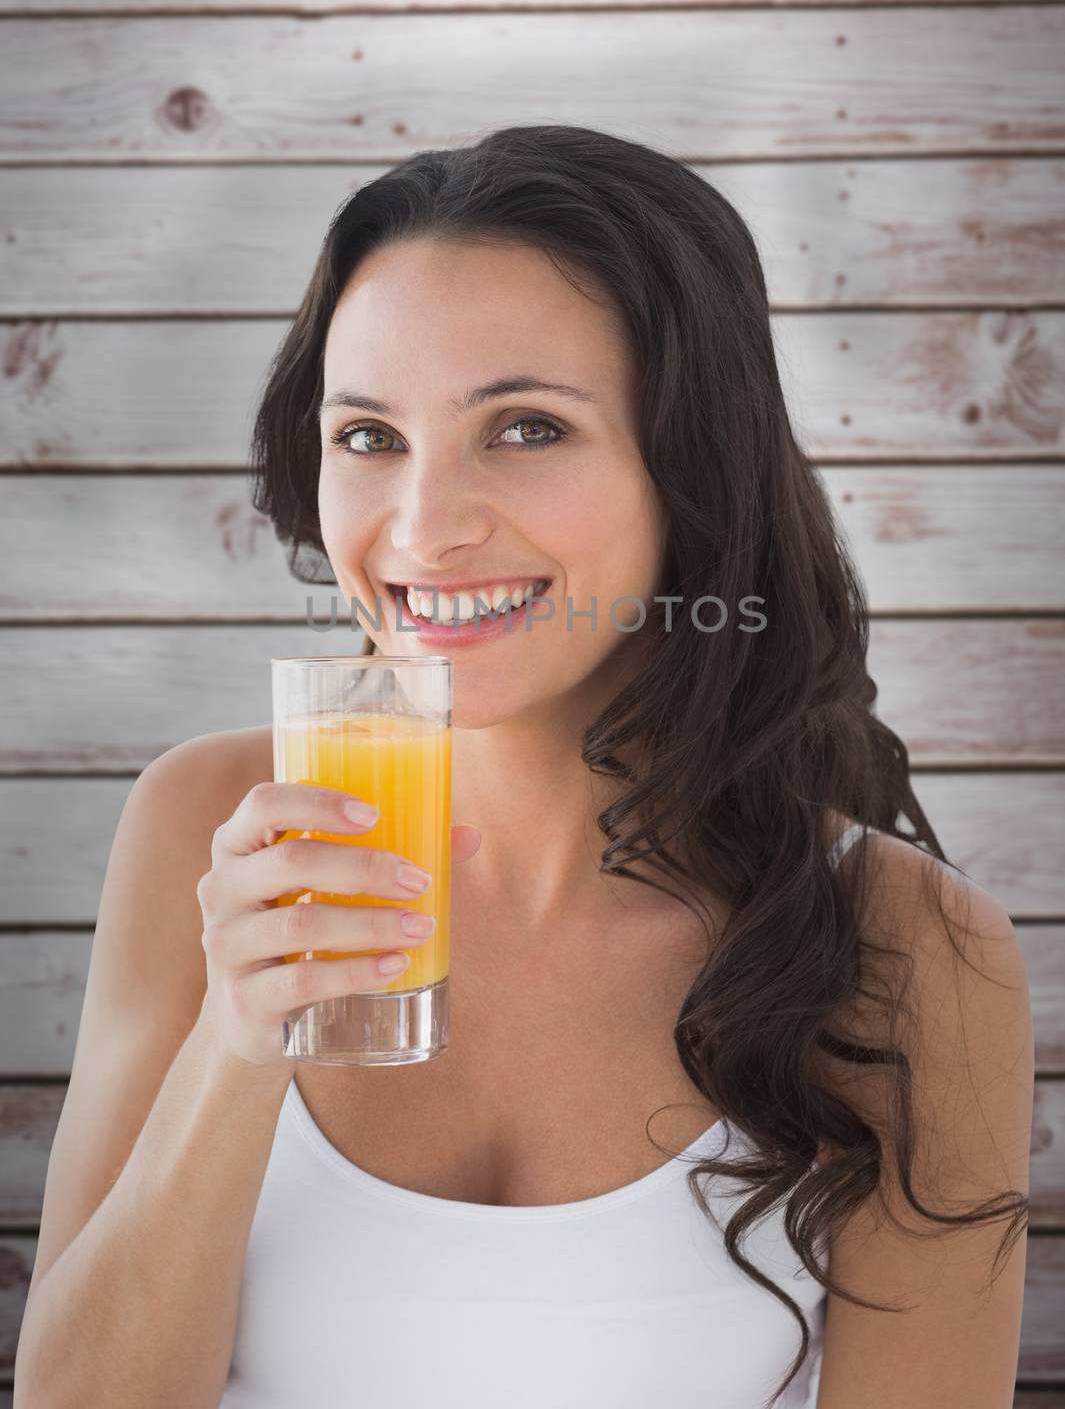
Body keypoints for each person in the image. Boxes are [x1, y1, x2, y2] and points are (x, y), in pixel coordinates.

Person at [15, 124, 1033, 1409]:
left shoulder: (908, 949)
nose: (424, 528)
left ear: (693, 468)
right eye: (371, 436)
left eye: (528, 428)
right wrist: (237, 1037)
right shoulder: (204, 828)